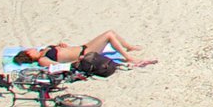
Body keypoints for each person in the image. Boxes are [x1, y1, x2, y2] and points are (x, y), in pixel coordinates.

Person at [16, 32, 155, 72]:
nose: (30, 48)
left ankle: (129, 47)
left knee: (110, 33)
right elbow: (60, 67)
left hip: (84, 47)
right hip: (85, 53)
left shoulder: (44, 50)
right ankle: (128, 56)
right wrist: (77, 60)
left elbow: (62, 50)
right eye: (29, 51)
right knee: (109, 35)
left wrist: (61, 46)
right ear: (29, 55)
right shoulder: (42, 60)